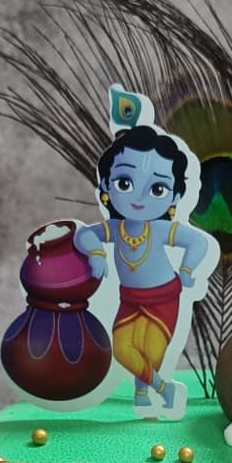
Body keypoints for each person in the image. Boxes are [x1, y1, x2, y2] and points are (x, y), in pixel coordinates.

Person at [75, 125, 213, 415]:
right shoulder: (116, 228)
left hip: (164, 297)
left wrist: (187, 269)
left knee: (152, 349)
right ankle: (163, 388)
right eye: (125, 183)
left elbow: (198, 242)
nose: (138, 198)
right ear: (106, 185)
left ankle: (142, 393)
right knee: (123, 348)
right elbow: (84, 235)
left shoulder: (160, 229)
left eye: (157, 189)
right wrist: (96, 253)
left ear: (175, 197)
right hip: (130, 299)